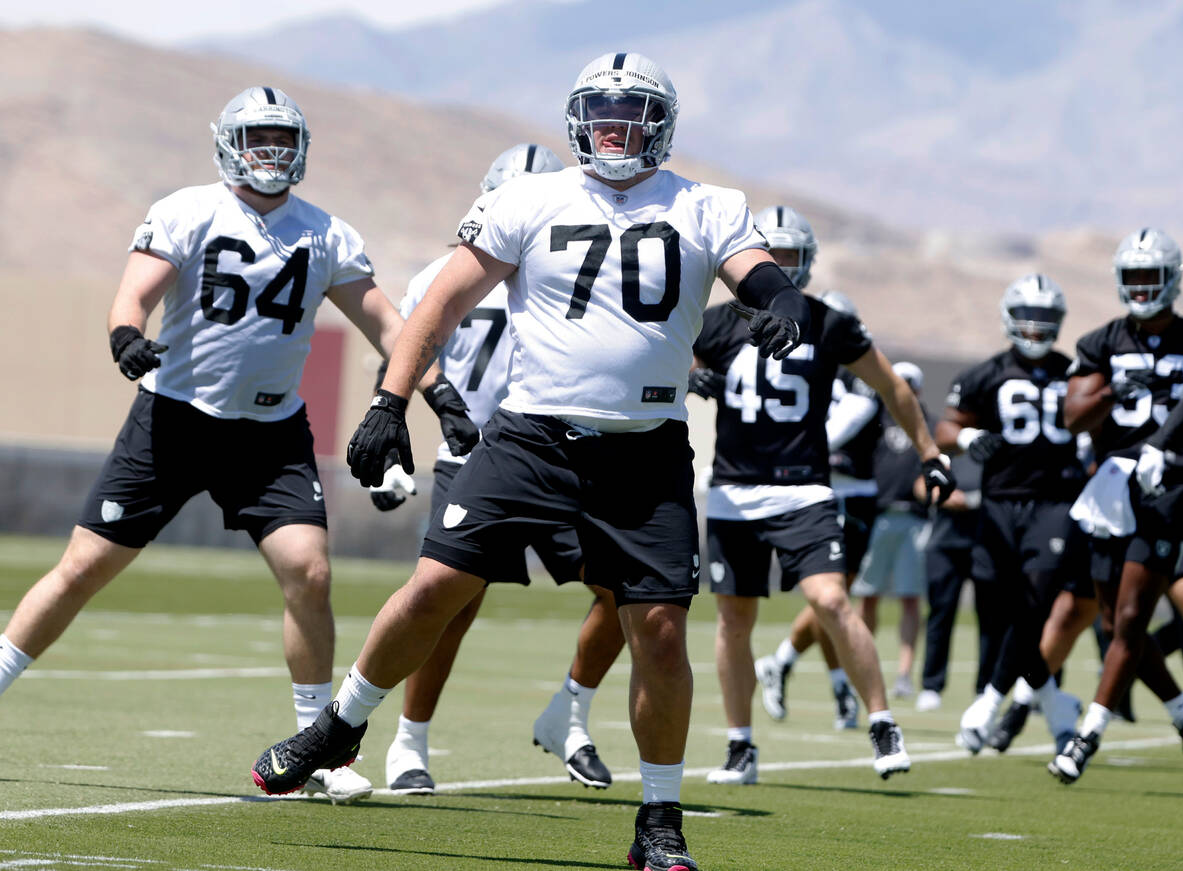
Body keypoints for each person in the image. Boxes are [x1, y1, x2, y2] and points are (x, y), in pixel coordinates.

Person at [252, 52, 820, 871]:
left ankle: (660, 818)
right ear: (579, 121)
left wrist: (786, 301)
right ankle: (339, 725)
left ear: (660, 126)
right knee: (435, 587)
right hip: (531, 438)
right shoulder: (527, 198)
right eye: (603, 116)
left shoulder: (707, 204)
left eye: (631, 117)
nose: (614, 132)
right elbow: (441, 301)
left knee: (660, 632)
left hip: (646, 447)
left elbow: (758, 275)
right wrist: (389, 400)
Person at [0, 86, 447, 804]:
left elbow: (390, 327)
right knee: (83, 567)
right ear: (228, 144)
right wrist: (125, 334)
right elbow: (134, 293)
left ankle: (316, 751)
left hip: (269, 435)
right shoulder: (187, 210)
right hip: (172, 420)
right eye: (258, 138)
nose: (271, 151)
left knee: (310, 572)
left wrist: (437, 394)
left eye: (282, 139)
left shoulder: (327, 233)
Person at [372, 144, 623, 794]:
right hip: (474, 458)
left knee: (626, 588)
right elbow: (406, 354)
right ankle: (408, 742)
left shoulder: (580, 269)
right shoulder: (446, 273)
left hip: (561, 456)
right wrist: (395, 442)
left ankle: (569, 714)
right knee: (449, 604)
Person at [691, 236, 954, 785]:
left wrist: (930, 453)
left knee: (831, 599)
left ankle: (882, 722)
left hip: (804, 488)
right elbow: (664, 363)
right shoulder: (715, 322)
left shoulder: (827, 321)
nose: (778, 267)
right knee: (734, 619)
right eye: (772, 255)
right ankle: (740, 745)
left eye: (790, 257)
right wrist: (687, 377)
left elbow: (891, 386)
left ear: (808, 261)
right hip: (734, 489)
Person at [1051, 228, 1183, 786]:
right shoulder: (1101, 342)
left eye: (1149, 277)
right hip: (1114, 492)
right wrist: (1113, 390)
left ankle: (1086, 736)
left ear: (1171, 279)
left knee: (1134, 617)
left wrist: (1172, 454)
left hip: (1172, 491)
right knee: (1116, 623)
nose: (1140, 287)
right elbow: (1073, 418)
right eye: (1132, 277)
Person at [935, 274, 1086, 754]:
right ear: (1009, 318)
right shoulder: (986, 374)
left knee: (1035, 603)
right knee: (1006, 612)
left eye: (1044, 318)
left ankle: (989, 701)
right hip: (999, 504)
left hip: (1055, 502)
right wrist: (966, 438)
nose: (1036, 328)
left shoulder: (1076, 371)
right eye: (1027, 317)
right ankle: (1057, 706)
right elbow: (944, 429)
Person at [752, 287, 884, 731]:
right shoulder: (801, 362)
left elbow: (854, 416)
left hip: (854, 489)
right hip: (819, 490)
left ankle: (787, 664)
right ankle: (835, 685)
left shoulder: (856, 370)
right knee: (832, 596)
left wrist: (800, 450)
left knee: (835, 598)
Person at [851, 361, 931, 700]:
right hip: (876, 516)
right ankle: (862, 667)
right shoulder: (873, 418)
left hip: (913, 519)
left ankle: (904, 674)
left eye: (910, 385)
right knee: (867, 596)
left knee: (910, 598)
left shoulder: (926, 422)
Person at [914, 453, 1004, 713]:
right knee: (940, 613)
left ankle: (985, 688)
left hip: (985, 544)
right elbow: (920, 484)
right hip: (945, 543)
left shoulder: (993, 451)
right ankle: (932, 686)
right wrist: (944, 496)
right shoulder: (947, 451)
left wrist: (977, 500)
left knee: (990, 618)